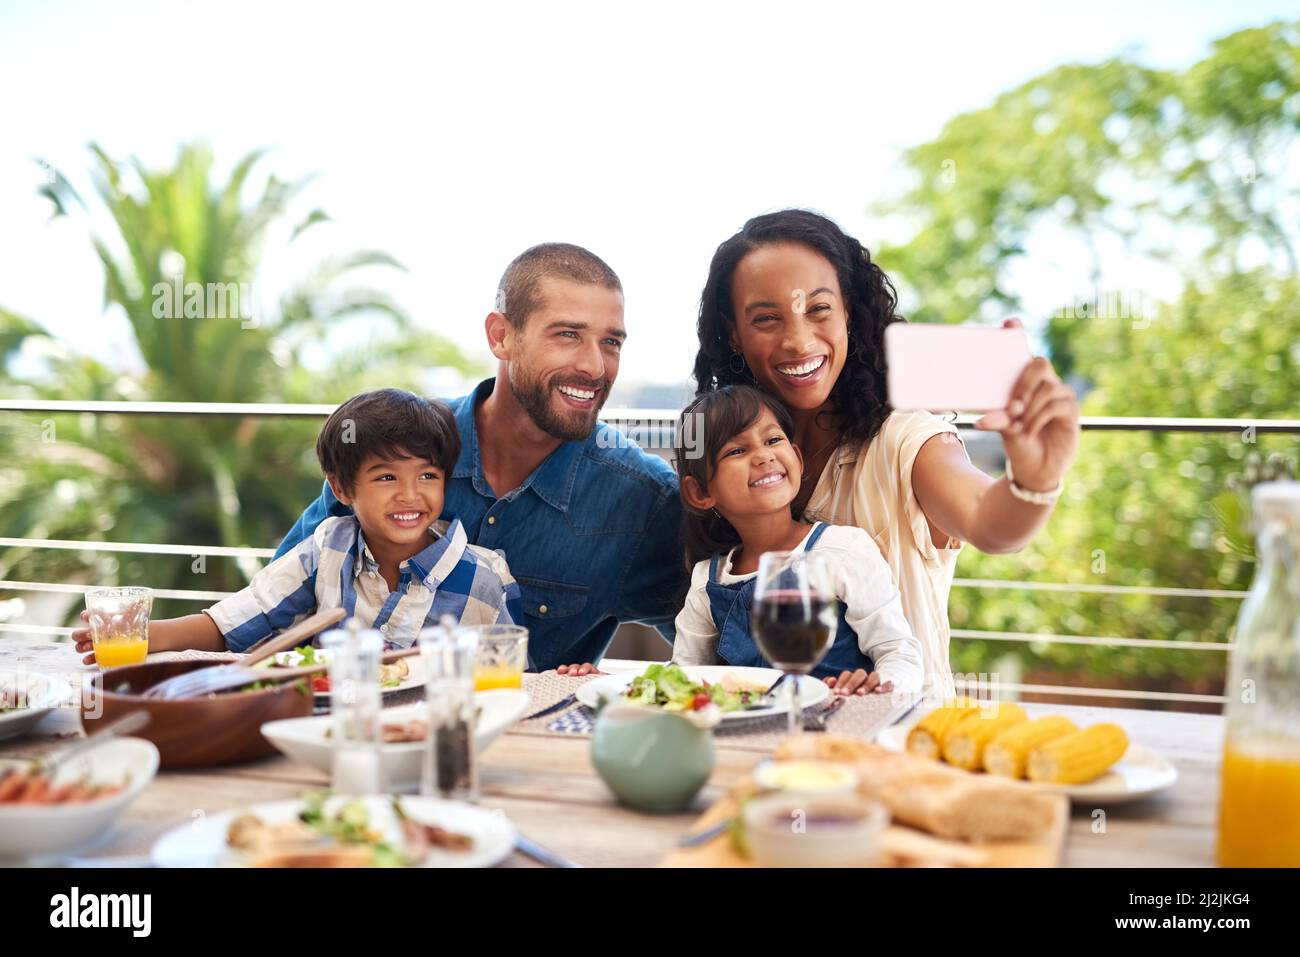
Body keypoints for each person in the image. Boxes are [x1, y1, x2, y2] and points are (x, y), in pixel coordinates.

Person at [692, 209, 1080, 697]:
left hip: (898, 741)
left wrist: (1035, 480)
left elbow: (990, 523)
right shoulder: (724, 458)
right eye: (766, 319)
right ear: (733, 333)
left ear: (849, 311)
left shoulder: (906, 441)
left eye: (819, 309)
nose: (797, 340)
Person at [272, 244, 685, 671]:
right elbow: (275, 611)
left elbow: (717, 657)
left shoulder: (643, 501)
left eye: (611, 342)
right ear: (500, 336)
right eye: (568, 335)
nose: (596, 367)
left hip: (518, 733)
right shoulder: (391, 444)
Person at [73, 388, 519, 662]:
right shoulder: (327, 548)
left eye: (428, 476)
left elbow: (517, 677)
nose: (409, 494)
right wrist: (146, 635)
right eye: (386, 477)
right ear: (342, 489)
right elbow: (243, 616)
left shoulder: (484, 577)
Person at [669, 385, 923, 694]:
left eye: (773, 440)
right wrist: (606, 683)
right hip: (749, 738)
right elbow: (683, 678)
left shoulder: (842, 551)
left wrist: (881, 685)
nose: (764, 456)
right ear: (700, 492)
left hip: (836, 730)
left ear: (797, 458)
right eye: (736, 450)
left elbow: (899, 653)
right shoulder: (707, 581)